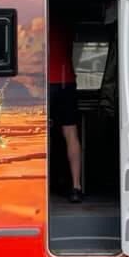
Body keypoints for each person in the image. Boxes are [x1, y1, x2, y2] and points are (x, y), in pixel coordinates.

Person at [49, 18, 82, 202]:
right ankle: (76, 187)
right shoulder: (67, 22)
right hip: (65, 80)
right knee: (71, 133)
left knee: (44, 135)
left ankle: (47, 182)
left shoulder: (37, 20)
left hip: (44, 82)